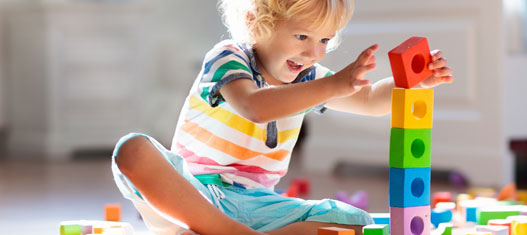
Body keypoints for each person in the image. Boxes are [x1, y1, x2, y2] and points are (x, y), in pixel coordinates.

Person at [111, 0, 454, 234]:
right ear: (255, 24)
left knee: (352, 222)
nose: (313, 52)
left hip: (258, 205)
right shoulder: (228, 57)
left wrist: (412, 83)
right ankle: (215, 230)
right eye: (302, 36)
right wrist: (333, 85)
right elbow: (254, 106)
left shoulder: (309, 76)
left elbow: (369, 100)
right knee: (133, 150)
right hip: (193, 192)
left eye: (324, 40)